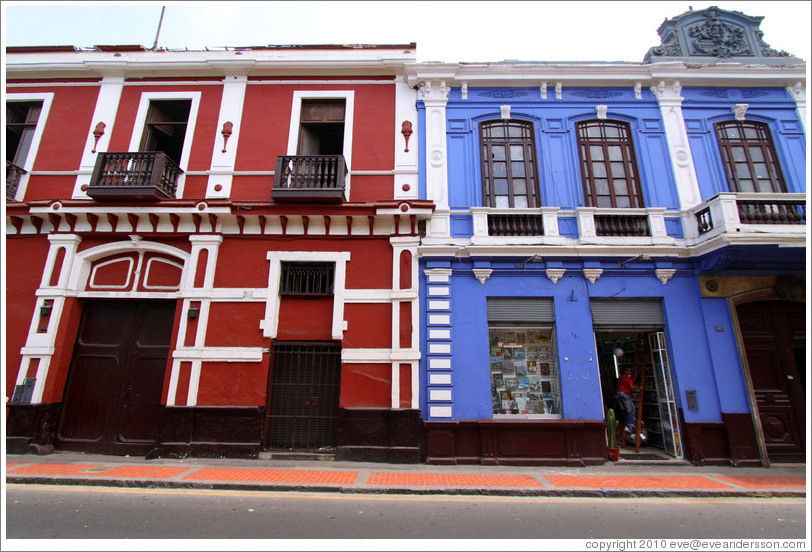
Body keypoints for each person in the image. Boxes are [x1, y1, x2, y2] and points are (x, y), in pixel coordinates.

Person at [616, 367, 638, 436]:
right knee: (631, 410)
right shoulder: (627, 378)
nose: (629, 371)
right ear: (625, 371)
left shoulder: (620, 377)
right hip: (624, 394)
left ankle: (625, 421)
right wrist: (638, 388)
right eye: (628, 370)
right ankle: (629, 426)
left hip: (619, 394)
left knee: (624, 410)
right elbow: (631, 387)